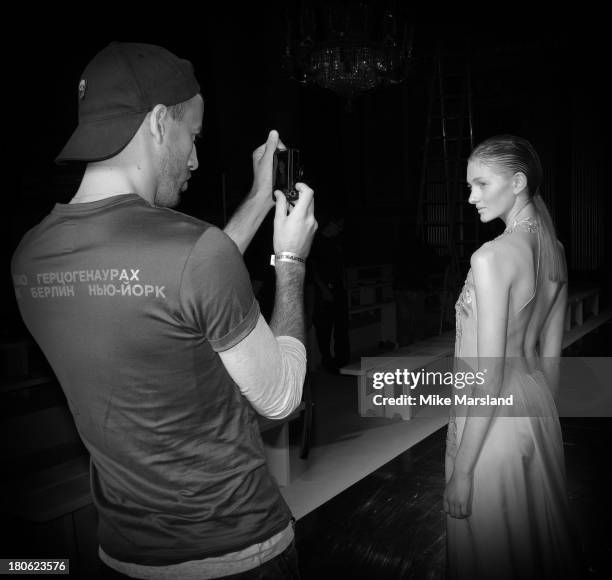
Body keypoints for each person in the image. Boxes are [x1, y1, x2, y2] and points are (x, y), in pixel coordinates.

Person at [11, 42, 317, 579]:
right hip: (238, 553)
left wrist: (258, 198)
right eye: (193, 137)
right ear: (157, 123)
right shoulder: (195, 253)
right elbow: (282, 401)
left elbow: (172, 283)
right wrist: (290, 260)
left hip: (124, 556)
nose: (197, 158)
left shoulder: (30, 256)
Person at [444, 135, 580, 578]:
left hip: (492, 420)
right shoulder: (555, 252)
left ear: (518, 182)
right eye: (469, 186)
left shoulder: (491, 257)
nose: (471, 197)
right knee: (531, 543)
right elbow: (552, 360)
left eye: (481, 184)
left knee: (492, 553)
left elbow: (489, 375)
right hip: (537, 410)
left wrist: (463, 470)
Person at [308, 211, 350, 372]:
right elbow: (313, 270)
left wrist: (344, 284)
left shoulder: (337, 242)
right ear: (330, 224)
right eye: (338, 226)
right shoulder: (316, 242)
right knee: (324, 330)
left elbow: (341, 266)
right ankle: (328, 361)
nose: (340, 230)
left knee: (342, 327)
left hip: (338, 289)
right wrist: (324, 290)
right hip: (323, 292)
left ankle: (343, 362)